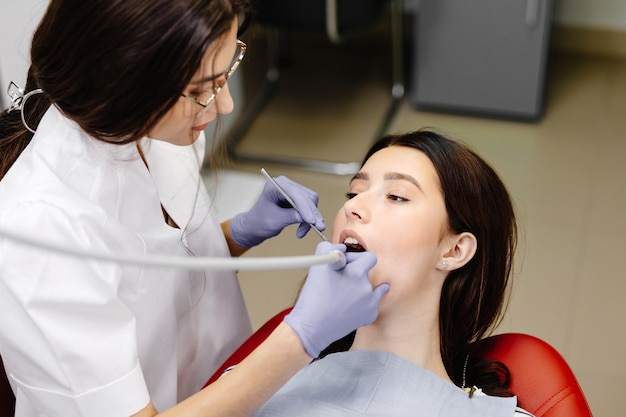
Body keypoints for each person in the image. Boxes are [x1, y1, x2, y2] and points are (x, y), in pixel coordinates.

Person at [0, 1, 388, 416]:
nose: (224, 106)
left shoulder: (158, 130)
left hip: (225, 378)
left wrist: (235, 234)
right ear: (124, 84)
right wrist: (301, 340)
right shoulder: (41, 238)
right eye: (203, 89)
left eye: (225, 73)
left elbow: (152, 275)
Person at [250, 129, 534, 416]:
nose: (352, 206)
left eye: (396, 196)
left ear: (454, 251)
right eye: (354, 192)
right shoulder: (250, 390)